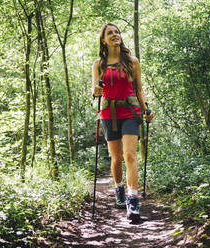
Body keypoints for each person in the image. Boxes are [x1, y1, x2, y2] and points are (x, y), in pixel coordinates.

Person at [92, 23, 153, 222]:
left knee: (129, 155)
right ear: (103, 40)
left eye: (117, 32)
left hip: (130, 111)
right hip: (109, 113)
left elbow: (139, 89)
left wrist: (146, 110)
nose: (115, 35)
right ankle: (118, 187)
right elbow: (95, 89)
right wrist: (96, 91)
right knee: (116, 157)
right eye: (110, 33)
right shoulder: (98, 64)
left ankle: (133, 201)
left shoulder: (132, 62)